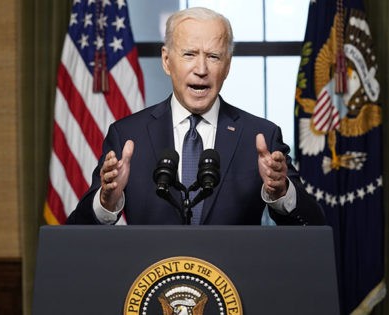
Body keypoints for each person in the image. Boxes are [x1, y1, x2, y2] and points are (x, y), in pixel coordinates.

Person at [66, 7, 325, 226]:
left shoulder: (260, 137)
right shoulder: (128, 135)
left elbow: (313, 224)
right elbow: (78, 230)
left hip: (231, 283)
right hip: (152, 282)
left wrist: (281, 192)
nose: (201, 69)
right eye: (189, 54)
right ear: (167, 61)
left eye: (213, 57)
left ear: (227, 66)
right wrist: (107, 201)